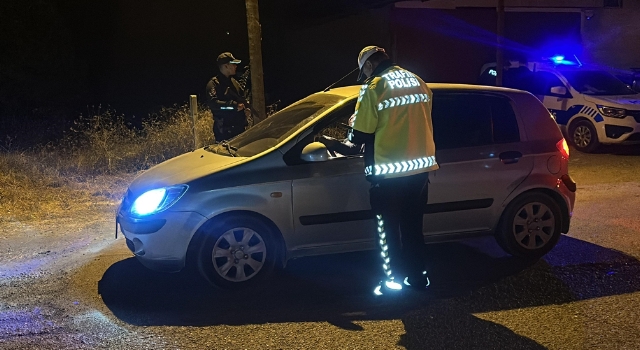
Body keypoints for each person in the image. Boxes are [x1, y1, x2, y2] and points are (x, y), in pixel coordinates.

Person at [348, 46, 438, 296]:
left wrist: (352, 126)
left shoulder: (374, 87)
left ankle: (392, 281)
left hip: (387, 175)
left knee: (387, 232)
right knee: (413, 228)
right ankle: (418, 277)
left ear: (368, 66)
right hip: (419, 172)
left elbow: (360, 136)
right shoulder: (417, 81)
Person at [205, 52, 249, 142]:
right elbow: (214, 105)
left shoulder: (234, 82)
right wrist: (233, 106)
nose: (235, 66)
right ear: (225, 66)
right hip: (224, 132)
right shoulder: (213, 84)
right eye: (233, 64)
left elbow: (242, 98)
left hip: (239, 129)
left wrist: (246, 108)